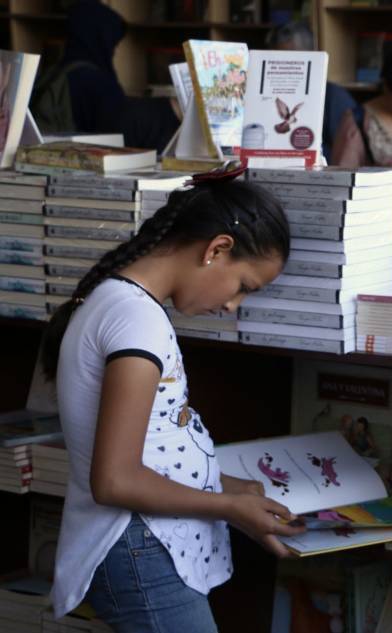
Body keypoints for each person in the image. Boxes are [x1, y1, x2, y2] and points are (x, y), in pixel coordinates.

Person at [41, 172, 305, 631]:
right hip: (140, 548)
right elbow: (115, 480)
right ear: (217, 249)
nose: (232, 305)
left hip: (145, 545)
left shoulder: (126, 307)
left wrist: (223, 483)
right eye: (243, 285)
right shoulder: (135, 320)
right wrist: (228, 507)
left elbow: (151, 447)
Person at [32, 1, 180, 152]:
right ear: (100, 39)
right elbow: (121, 127)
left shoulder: (54, 71)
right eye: (113, 45)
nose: (113, 52)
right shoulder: (96, 81)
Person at [266, 20, 357, 163]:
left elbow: (345, 156)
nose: (281, 67)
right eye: (275, 59)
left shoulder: (334, 97)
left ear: (310, 56)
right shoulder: (265, 96)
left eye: (290, 59)